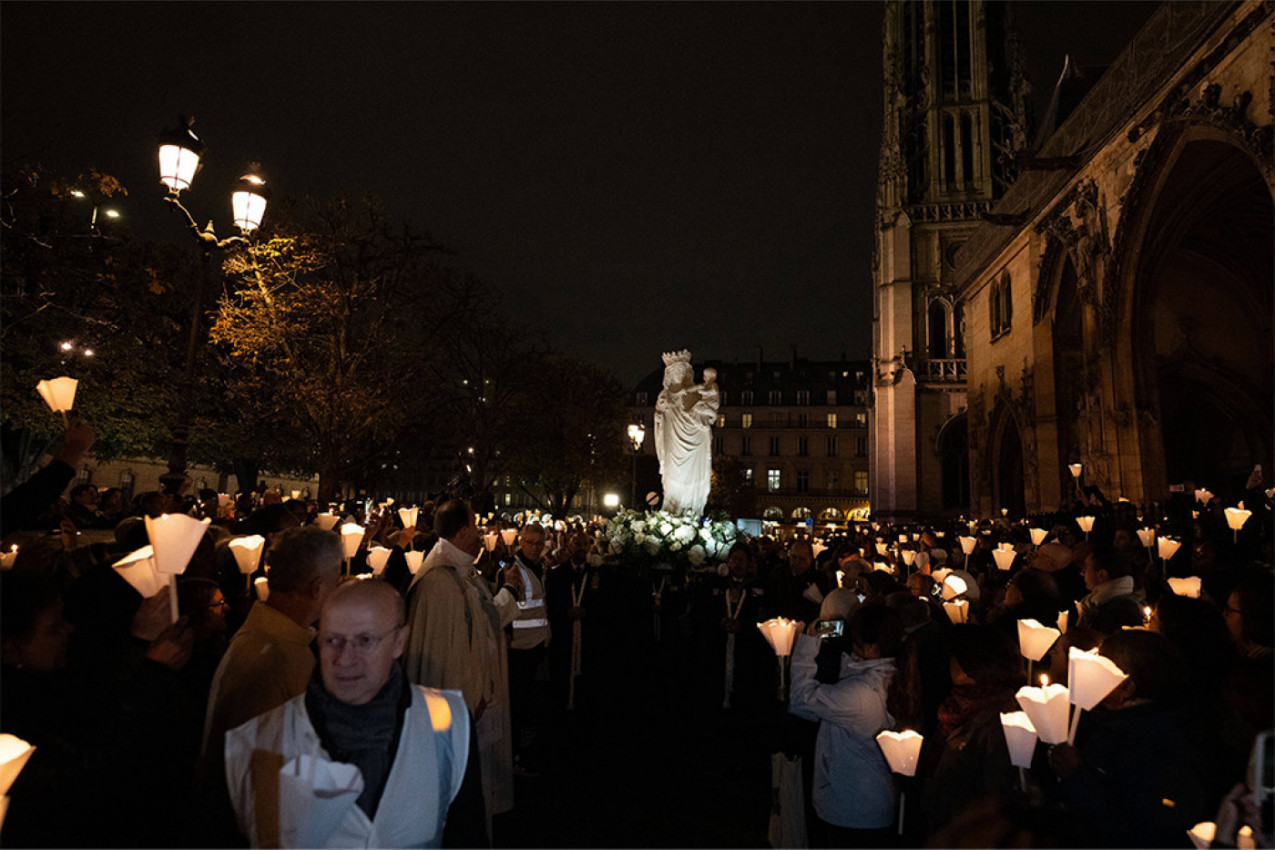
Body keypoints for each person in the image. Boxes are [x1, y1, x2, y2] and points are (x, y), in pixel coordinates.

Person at [225, 579, 486, 848]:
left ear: (399, 642)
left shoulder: (450, 725)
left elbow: (468, 838)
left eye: (364, 640)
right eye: (332, 640)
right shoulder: (255, 742)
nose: (345, 659)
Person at [196, 525, 343, 845]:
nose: (339, 590)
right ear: (318, 588)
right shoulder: (267, 658)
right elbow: (262, 789)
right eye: (337, 581)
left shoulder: (284, 643)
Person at [403, 499, 523, 835]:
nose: (480, 532)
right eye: (475, 525)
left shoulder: (461, 573)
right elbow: (444, 657)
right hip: (456, 716)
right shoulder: (440, 584)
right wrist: (468, 702)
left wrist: (510, 589)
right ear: (461, 530)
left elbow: (484, 623)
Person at [788, 604, 904, 847]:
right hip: (867, 801)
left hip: (854, 807)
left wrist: (808, 643)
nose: (851, 642)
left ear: (872, 647)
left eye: (856, 638)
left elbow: (801, 699)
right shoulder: (890, 674)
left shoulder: (862, 692)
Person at [504, 522, 550, 772]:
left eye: (538, 543)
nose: (534, 547)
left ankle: (521, 751)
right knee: (517, 705)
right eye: (529, 542)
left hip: (534, 646)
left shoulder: (537, 566)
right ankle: (513, 756)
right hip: (517, 649)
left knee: (528, 704)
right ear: (521, 541)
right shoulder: (512, 568)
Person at [653, 350, 718, 517]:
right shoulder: (664, 395)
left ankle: (691, 510)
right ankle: (672, 509)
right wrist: (659, 415)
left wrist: (699, 415)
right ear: (669, 374)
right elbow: (659, 419)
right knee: (673, 475)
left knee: (692, 476)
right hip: (673, 440)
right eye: (677, 371)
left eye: (683, 371)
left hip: (695, 439)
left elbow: (708, 413)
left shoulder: (695, 392)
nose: (680, 374)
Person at [1076, 547, 1142, 634]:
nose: (1082, 573)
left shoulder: (1120, 611)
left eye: (1086, 568)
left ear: (1102, 575)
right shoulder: (1097, 603)